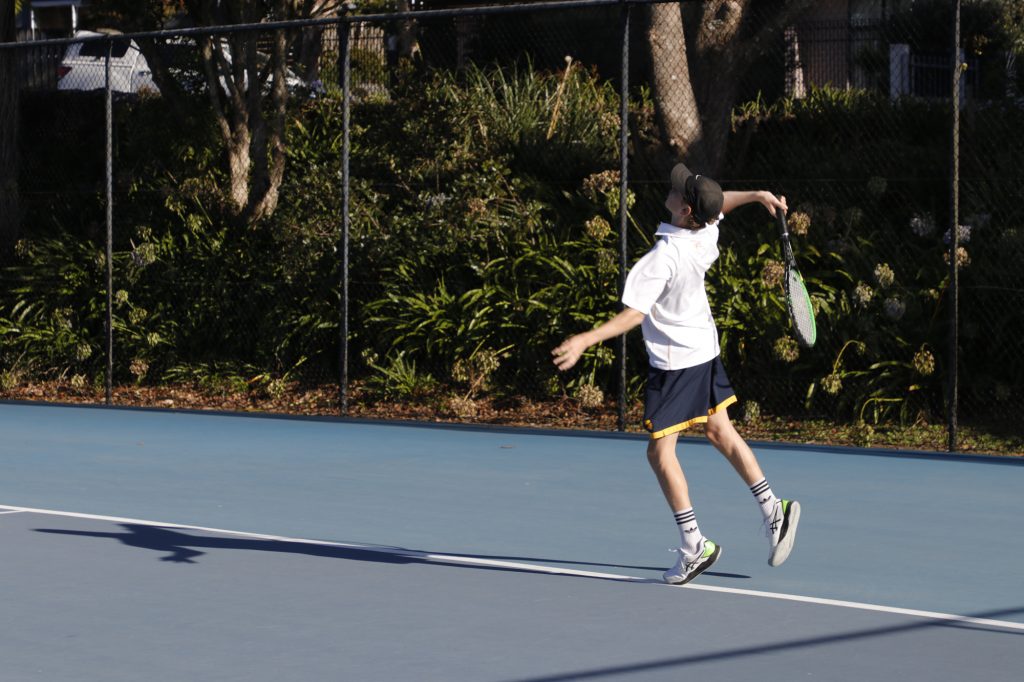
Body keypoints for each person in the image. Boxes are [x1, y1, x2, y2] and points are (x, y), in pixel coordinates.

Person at [552, 163, 801, 585]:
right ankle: (773, 509)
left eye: (677, 191)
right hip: (704, 348)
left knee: (659, 454)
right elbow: (721, 206)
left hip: (676, 363)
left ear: (685, 211)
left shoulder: (663, 256)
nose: (670, 191)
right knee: (720, 431)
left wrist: (584, 340)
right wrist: (758, 194)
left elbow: (634, 314)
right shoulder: (704, 232)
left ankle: (694, 546)